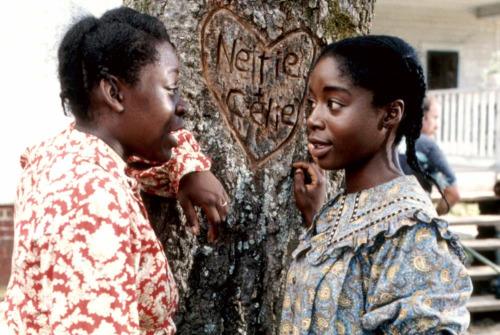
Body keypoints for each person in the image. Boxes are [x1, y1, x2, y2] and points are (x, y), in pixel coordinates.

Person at [1, 7, 229, 334]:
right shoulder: (91, 201)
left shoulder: (64, 159)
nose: (183, 104)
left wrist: (188, 168)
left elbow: (145, 166)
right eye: (170, 88)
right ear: (113, 92)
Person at [281, 35, 472, 334]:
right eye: (313, 103)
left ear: (390, 114)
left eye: (333, 103)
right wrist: (317, 220)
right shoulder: (334, 214)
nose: (312, 119)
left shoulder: (412, 234)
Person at [399, 96, 460, 215]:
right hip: (416, 219)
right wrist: (435, 216)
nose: (437, 126)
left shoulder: (385, 142)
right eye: (435, 118)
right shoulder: (427, 146)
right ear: (422, 117)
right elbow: (453, 193)